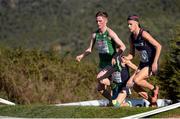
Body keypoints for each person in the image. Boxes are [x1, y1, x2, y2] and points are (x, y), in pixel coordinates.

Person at [76, 11, 126, 104]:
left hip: (112, 63)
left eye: (100, 21)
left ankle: (113, 85)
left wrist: (115, 57)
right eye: (97, 21)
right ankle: (113, 101)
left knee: (100, 78)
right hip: (102, 64)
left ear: (106, 21)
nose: (98, 23)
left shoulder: (110, 33)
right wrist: (81, 56)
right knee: (100, 88)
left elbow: (123, 46)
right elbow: (90, 49)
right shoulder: (95, 35)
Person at [123, 15, 162, 106]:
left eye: (130, 24)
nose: (128, 26)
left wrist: (155, 62)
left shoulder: (143, 34)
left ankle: (154, 88)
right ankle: (152, 101)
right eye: (128, 24)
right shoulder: (131, 37)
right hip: (142, 64)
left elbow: (159, 46)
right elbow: (132, 54)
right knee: (134, 86)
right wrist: (126, 58)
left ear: (136, 23)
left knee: (136, 80)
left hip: (151, 63)